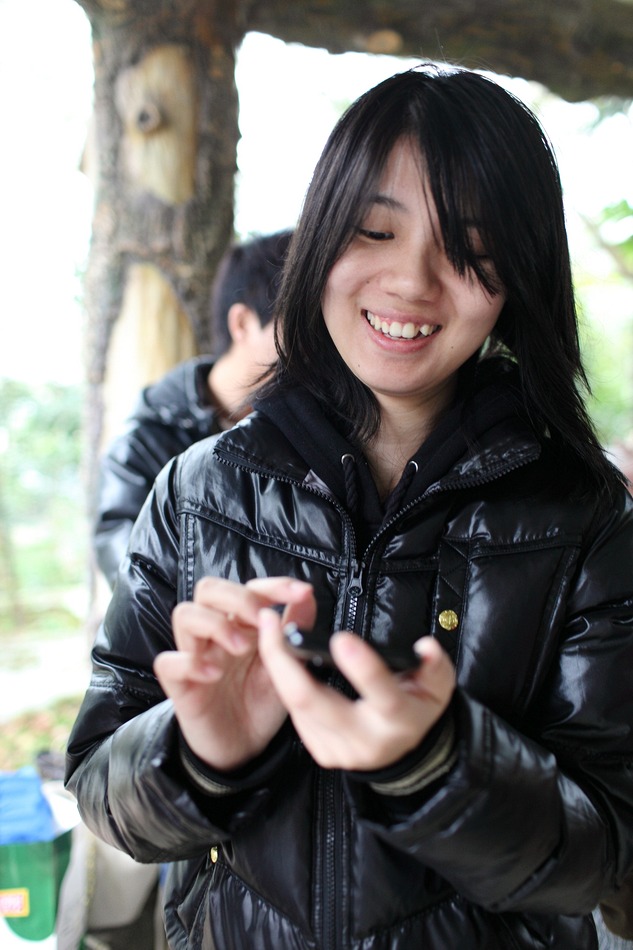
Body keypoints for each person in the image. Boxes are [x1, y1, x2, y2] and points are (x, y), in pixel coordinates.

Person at [65, 65, 633, 949]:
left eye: (470, 247)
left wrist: (438, 765)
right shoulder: (196, 489)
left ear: (517, 278)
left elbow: (609, 856)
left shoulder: (585, 518)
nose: (412, 281)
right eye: (375, 229)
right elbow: (103, 792)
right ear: (321, 239)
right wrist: (199, 751)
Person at [93, 228, 293, 587]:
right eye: (301, 325)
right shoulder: (146, 441)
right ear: (243, 323)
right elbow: (131, 574)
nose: (318, 346)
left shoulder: (308, 429)